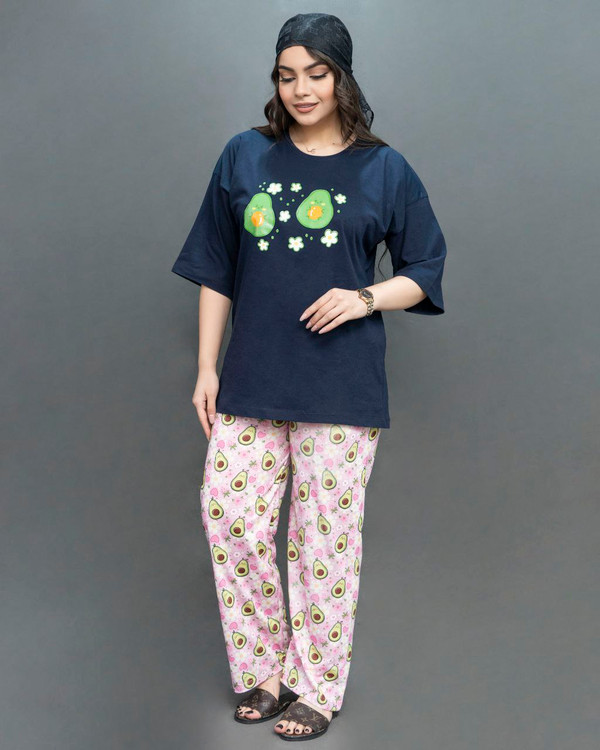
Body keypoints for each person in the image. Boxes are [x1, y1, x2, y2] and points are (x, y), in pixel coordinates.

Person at [171, 12, 447, 741]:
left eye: (316, 74)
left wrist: (364, 298)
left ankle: (317, 686)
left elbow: (425, 268)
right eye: (287, 76)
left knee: (325, 540)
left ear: (341, 78)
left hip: (340, 385)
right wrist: (206, 367)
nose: (301, 89)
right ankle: (265, 670)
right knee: (232, 519)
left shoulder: (384, 170)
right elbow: (215, 268)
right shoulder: (244, 156)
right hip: (252, 377)